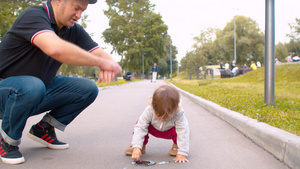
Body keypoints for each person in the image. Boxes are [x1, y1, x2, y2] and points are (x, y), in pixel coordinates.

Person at [0, 0, 122, 165]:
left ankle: (43, 129)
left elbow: (99, 53)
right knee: (32, 86)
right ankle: (8, 140)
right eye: (76, 8)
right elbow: (55, 49)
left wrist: (113, 65)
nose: (79, 15)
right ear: (59, 1)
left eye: (82, 11)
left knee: (88, 88)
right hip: (6, 90)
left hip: (37, 90)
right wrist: (101, 63)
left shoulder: (72, 29)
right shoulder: (34, 15)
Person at [124, 85, 189, 164]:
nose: (162, 119)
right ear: (153, 106)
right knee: (140, 124)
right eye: (158, 115)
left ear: (175, 110)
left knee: (180, 130)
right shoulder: (149, 110)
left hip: (170, 131)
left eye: (167, 117)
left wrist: (182, 153)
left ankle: (177, 146)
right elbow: (140, 127)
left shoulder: (179, 113)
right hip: (154, 129)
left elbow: (183, 132)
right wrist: (136, 146)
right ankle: (140, 146)